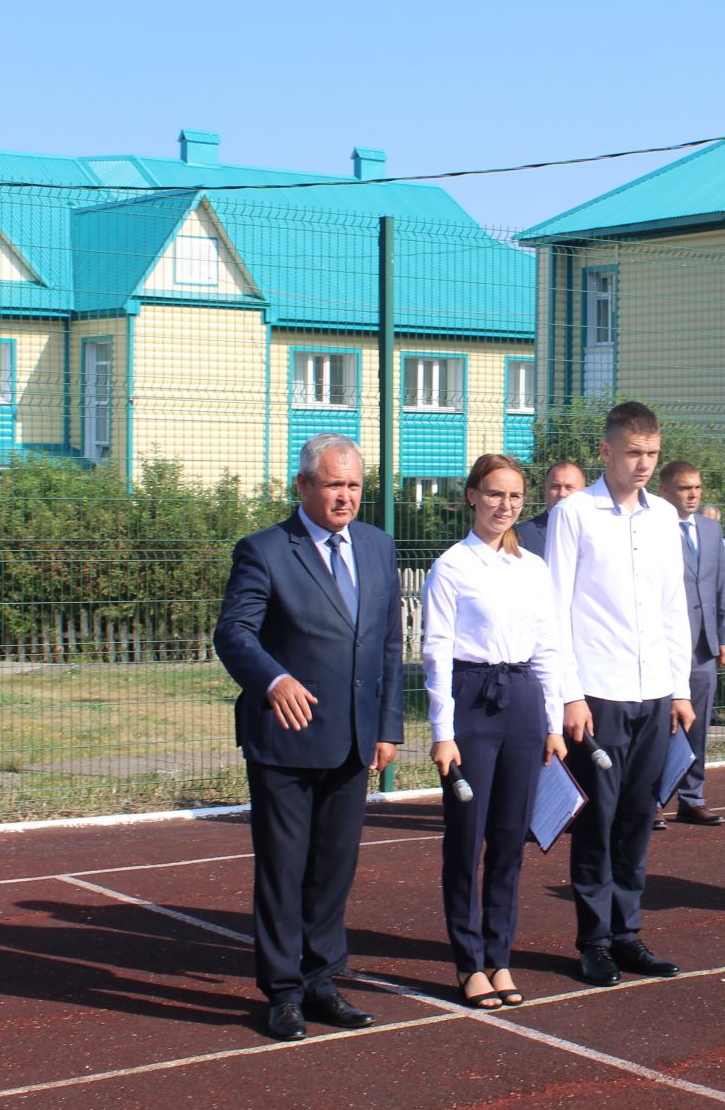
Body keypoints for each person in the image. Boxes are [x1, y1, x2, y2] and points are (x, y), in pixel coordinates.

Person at [213, 432, 403, 1042]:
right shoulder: (264, 551)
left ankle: (323, 981)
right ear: (302, 487)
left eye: (353, 485)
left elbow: (390, 645)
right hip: (286, 742)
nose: (344, 497)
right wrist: (273, 679)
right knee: (284, 869)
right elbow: (235, 633)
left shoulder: (377, 547)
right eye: (332, 485)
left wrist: (387, 728)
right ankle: (284, 993)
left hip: (353, 741)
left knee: (334, 870)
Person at [546, 402, 696, 988]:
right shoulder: (575, 515)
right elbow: (555, 608)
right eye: (633, 452)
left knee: (639, 816)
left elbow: (671, 607)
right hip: (598, 694)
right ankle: (594, 942)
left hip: (654, 691)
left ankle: (628, 933)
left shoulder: (662, 516)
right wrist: (570, 694)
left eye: (652, 453)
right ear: (606, 453)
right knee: (598, 818)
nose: (643, 463)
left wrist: (680, 688)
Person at [422, 454, 573, 1009]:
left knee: (511, 840)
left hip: (524, 706)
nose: (504, 506)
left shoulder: (533, 568)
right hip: (471, 704)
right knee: (467, 839)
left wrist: (553, 724)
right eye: (493, 494)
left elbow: (549, 648)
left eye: (513, 497)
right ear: (471, 496)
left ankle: (499, 958)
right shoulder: (451, 567)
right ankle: (467, 964)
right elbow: (435, 653)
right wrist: (444, 731)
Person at [658, 460, 725, 829]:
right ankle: (652, 801)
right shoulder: (651, 529)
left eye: (698, 488)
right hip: (662, 646)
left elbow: (721, 586)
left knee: (698, 726)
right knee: (659, 725)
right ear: (665, 491)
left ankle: (693, 798)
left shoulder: (710, 529)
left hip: (703, 646)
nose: (693, 494)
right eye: (685, 488)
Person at [512, 461, 586, 560]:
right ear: (544, 490)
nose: (562, 493)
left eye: (569, 487)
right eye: (555, 487)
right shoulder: (522, 534)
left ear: (584, 492)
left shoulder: (597, 533)